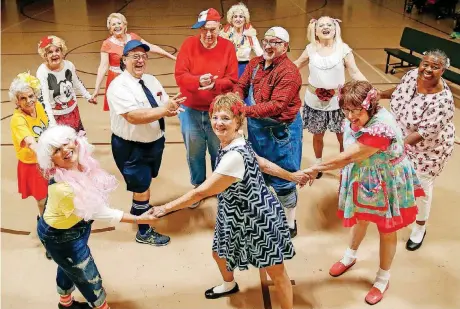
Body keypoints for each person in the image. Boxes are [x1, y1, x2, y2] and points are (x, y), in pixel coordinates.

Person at [151, 93, 308, 309]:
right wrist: (292, 176)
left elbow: (200, 193)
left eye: (225, 118)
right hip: (233, 214)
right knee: (219, 253)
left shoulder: (234, 156)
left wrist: (164, 209)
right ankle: (229, 283)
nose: (218, 123)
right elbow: (261, 163)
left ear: (237, 121)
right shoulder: (237, 140)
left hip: (257, 219)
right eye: (215, 117)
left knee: (277, 272)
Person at [303, 81, 425, 305]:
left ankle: (382, 278)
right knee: (361, 218)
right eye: (346, 110)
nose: (349, 116)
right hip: (366, 177)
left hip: (386, 180)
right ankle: (350, 255)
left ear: (369, 106)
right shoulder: (359, 117)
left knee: (386, 229)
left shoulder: (380, 128)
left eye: (355, 110)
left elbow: (350, 155)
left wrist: (315, 169)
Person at [35, 125, 159, 309]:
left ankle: (65, 304)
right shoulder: (64, 188)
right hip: (60, 236)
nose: (65, 151)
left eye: (66, 143)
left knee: (67, 266)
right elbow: (101, 211)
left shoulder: (80, 163)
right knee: (86, 274)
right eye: (56, 150)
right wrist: (139, 219)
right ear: (51, 161)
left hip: (75, 226)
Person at [107, 40, 186, 246]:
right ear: (124, 60)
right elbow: (133, 116)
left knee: (146, 181)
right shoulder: (118, 86)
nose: (140, 60)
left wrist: (172, 106)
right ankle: (143, 231)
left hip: (154, 142)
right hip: (132, 147)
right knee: (142, 187)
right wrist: (164, 110)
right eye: (135, 56)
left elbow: (163, 102)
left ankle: (138, 209)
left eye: (143, 56)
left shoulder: (151, 80)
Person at [381, 49, 455, 251]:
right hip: (403, 135)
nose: (428, 69)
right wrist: (380, 94)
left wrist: (395, 147)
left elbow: (420, 135)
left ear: (443, 70)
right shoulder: (413, 74)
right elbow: (400, 90)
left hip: (428, 150)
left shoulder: (443, 101)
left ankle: (420, 227)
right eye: (426, 64)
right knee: (397, 175)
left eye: (435, 67)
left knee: (421, 188)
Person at [234, 26, 303, 237]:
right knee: (259, 175)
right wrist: (237, 98)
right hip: (257, 128)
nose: (269, 45)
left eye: (275, 42)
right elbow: (241, 84)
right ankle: (264, 215)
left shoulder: (289, 72)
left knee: (284, 177)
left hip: (281, 133)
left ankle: (290, 223)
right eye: (266, 40)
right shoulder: (255, 63)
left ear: (285, 46)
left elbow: (277, 106)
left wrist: (243, 110)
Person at [175, 8, 238, 208]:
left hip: (216, 112)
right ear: (198, 29)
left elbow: (232, 79)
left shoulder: (228, 47)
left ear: (220, 28)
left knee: (218, 151)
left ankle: (219, 188)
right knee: (194, 152)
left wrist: (216, 85)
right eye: (203, 30)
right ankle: (199, 187)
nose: (208, 34)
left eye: (212, 29)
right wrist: (197, 81)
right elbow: (180, 75)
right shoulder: (188, 45)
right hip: (190, 110)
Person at [294, 16, 366, 179]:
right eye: (321, 25)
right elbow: (296, 64)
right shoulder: (310, 48)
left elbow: (354, 71)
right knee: (317, 135)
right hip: (314, 101)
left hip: (338, 103)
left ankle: (344, 164)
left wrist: (369, 88)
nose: (325, 27)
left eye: (329, 25)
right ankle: (318, 164)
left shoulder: (343, 49)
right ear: (315, 30)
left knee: (343, 136)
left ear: (335, 29)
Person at [93, 13, 177, 111]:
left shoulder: (133, 37)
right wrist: (96, 90)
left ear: (125, 25)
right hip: (116, 77)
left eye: (119, 23)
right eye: (113, 24)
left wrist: (173, 58)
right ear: (110, 29)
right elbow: (103, 67)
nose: (116, 26)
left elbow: (152, 47)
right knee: (121, 110)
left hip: (134, 76)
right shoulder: (107, 44)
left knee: (138, 105)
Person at [9, 72, 51, 259]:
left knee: (54, 197)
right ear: (17, 101)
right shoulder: (18, 120)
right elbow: (30, 142)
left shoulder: (39, 106)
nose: (28, 101)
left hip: (47, 159)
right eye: (23, 98)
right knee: (42, 201)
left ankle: (48, 224)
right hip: (33, 165)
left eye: (30, 96)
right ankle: (48, 236)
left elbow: (48, 129)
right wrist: (44, 155)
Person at [36, 35, 96, 131]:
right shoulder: (42, 71)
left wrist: (87, 96)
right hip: (55, 116)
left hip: (72, 111)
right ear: (45, 56)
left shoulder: (69, 65)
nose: (54, 54)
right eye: (50, 52)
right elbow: (45, 100)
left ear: (62, 52)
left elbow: (76, 82)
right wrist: (52, 124)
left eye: (57, 50)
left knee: (76, 143)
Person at [220, 2, 263, 78]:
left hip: (243, 69)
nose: (238, 19)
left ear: (245, 19)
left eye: (241, 16)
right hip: (227, 68)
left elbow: (260, 53)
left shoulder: (250, 35)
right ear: (231, 19)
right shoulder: (225, 34)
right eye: (235, 16)